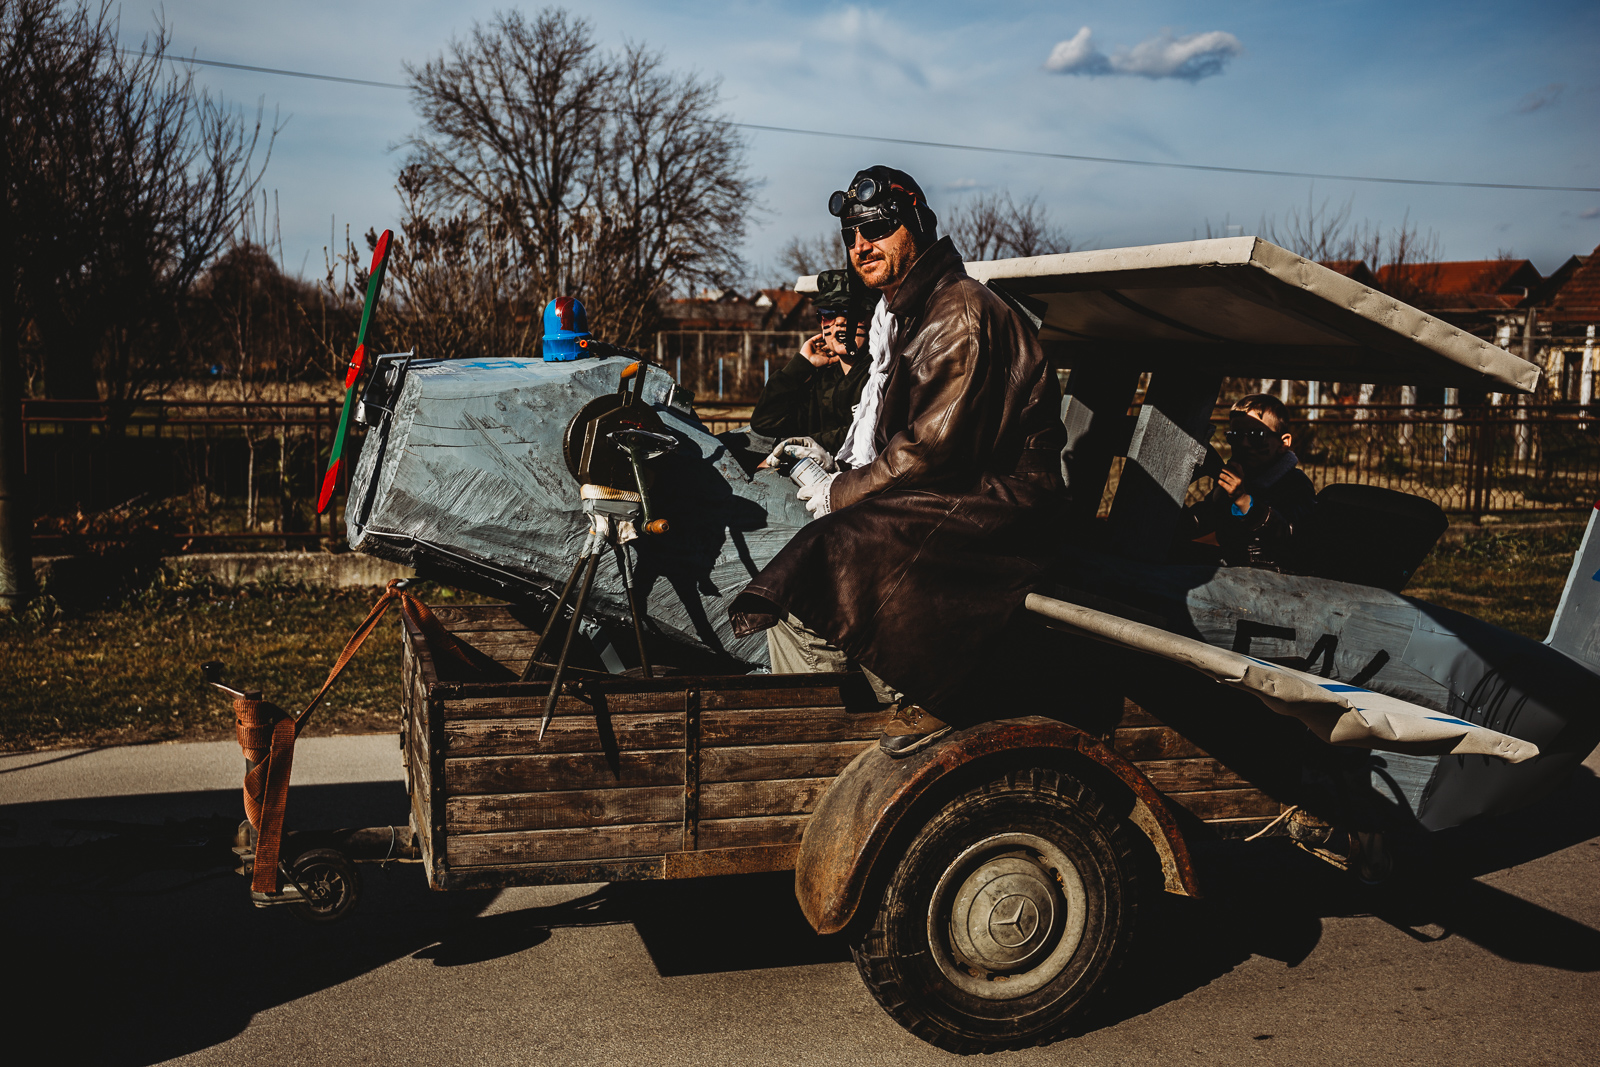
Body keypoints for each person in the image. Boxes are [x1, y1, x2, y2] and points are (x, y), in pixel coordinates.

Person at [730, 166, 1066, 756]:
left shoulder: (958, 311)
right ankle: (853, 717)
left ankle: (904, 709)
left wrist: (840, 491)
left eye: (879, 228)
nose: (862, 245)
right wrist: (836, 469)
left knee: (822, 561)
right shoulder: (909, 312)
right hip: (959, 496)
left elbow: (933, 449)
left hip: (998, 511)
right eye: (852, 234)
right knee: (815, 554)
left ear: (915, 225)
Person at [1177, 393, 1316, 568]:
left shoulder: (1295, 483)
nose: (1243, 444)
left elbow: (1290, 534)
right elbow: (1202, 520)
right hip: (1233, 570)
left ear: (1283, 444)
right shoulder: (1235, 480)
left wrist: (1243, 500)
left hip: (1278, 576)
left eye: (1256, 435)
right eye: (1235, 436)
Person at [749, 269, 876, 454]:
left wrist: (801, 445)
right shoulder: (821, 380)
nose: (840, 321)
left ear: (874, 316)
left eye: (852, 312)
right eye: (828, 313)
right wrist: (799, 366)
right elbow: (764, 422)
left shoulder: (884, 372)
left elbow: (867, 434)